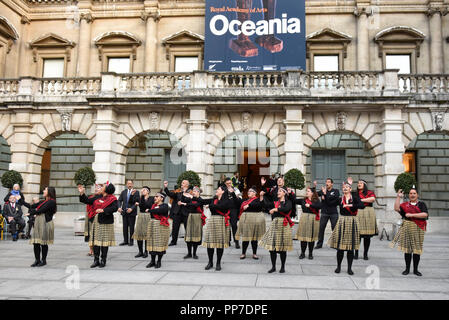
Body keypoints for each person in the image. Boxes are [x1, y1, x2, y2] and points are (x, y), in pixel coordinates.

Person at [327, 180, 365, 275]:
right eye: (344, 187)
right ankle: (338, 266)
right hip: (342, 221)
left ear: (350, 189)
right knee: (340, 247)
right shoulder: (340, 199)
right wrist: (326, 194)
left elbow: (362, 206)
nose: (345, 188)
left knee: (350, 247)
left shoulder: (355, 198)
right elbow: (329, 202)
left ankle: (349, 268)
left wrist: (350, 205)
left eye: (347, 187)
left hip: (352, 221)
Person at [391, 187, 429, 276]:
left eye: (414, 193)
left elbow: (425, 214)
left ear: (417, 195)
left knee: (416, 250)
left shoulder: (421, 204)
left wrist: (412, 214)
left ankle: (416, 270)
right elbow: (396, 208)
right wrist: (398, 197)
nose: (412, 195)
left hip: (418, 228)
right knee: (407, 250)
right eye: (411, 193)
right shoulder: (405, 205)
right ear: (409, 195)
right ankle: (407, 269)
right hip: (407, 227)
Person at [79, 182, 118, 268]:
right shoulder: (98, 197)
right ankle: (96, 260)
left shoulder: (113, 198)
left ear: (107, 189)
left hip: (106, 222)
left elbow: (115, 208)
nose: (100, 187)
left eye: (103, 186)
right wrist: (82, 193)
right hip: (96, 221)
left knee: (104, 242)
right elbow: (87, 201)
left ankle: (103, 260)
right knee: (95, 241)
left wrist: (104, 210)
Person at [259, 187, 295, 274]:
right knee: (272, 248)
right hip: (275, 224)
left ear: (284, 193)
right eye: (278, 191)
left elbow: (286, 209)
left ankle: (282, 267)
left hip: (284, 224)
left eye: (280, 191)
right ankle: (273, 267)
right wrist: (261, 197)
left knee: (282, 248)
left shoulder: (288, 202)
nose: (278, 192)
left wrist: (276, 209)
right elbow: (266, 205)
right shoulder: (275, 202)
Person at [201, 185, 231, 271]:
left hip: (221, 221)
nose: (217, 190)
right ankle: (210, 262)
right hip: (212, 220)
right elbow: (203, 201)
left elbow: (222, 206)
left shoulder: (227, 200)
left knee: (219, 243)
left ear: (223, 191)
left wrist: (210, 206)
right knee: (210, 242)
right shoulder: (213, 199)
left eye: (218, 189)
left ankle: (218, 262)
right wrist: (194, 197)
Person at [234, 186, 266, 260]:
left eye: (250, 191)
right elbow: (238, 202)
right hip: (246, 220)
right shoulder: (245, 200)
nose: (248, 192)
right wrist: (234, 194)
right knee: (245, 237)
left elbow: (260, 205)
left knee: (254, 238)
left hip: (254, 220)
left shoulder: (257, 200)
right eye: (248, 191)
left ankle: (254, 253)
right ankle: (243, 253)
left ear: (254, 193)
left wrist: (249, 205)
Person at [29, 186, 57, 267]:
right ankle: (37, 260)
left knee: (43, 243)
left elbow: (41, 210)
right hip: (38, 223)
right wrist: (20, 200)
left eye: (45, 190)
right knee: (36, 242)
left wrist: (31, 213)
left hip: (45, 223)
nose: (43, 191)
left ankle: (43, 260)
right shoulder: (43, 201)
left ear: (49, 192)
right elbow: (31, 206)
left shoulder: (51, 202)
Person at [294, 187, 322, 260]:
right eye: (306, 191)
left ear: (312, 193)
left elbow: (319, 206)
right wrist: (290, 193)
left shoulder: (316, 200)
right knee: (303, 237)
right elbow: (294, 200)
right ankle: (302, 253)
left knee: (311, 237)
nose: (307, 192)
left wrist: (310, 205)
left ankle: (310, 253)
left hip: (313, 219)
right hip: (304, 218)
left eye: (308, 191)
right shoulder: (303, 200)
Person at [145, 191, 170, 269]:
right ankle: (152, 261)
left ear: (162, 198)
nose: (155, 198)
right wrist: (144, 198)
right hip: (152, 225)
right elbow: (143, 206)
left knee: (159, 243)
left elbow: (160, 210)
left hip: (161, 226)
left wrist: (150, 210)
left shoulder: (165, 206)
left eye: (157, 196)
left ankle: (159, 261)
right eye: (155, 196)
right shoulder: (153, 205)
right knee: (152, 243)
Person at [181, 186, 206, 259]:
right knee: (189, 235)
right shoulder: (191, 199)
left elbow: (196, 205)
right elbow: (183, 200)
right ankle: (189, 253)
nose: (193, 193)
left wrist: (187, 203)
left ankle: (194, 253)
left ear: (198, 192)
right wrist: (184, 193)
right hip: (190, 217)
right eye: (193, 191)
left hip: (197, 217)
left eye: (194, 191)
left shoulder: (200, 200)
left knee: (195, 235)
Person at [355, 179, 377, 260]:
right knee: (358, 235)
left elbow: (372, 199)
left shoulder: (369, 192)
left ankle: (365, 254)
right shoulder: (356, 193)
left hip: (368, 212)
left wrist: (360, 200)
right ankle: (356, 253)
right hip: (359, 212)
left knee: (367, 236)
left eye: (361, 183)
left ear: (365, 185)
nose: (359, 184)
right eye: (358, 183)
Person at [314, 178, 340, 249]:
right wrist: (315, 187)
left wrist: (325, 195)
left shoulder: (336, 191)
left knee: (334, 228)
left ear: (332, 184)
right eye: (326, 182)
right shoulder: (323, 191)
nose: (327, 183)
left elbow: (334, 201)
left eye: (328, 182)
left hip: (333, 213)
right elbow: (315, 195)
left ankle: (335, 244)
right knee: (321, 228)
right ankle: (319, 244)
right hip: (324, 212)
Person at [79, 183, 103, 256]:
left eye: (98, 188)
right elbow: (86, 200)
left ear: (103, 190)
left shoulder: (103, 197)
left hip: (99, 219)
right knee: (90, 234)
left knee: (97, 236)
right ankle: (91, 250)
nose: (96, 189)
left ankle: (98, 252)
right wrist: (82, 193)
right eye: (96, 187)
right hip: (90, 216)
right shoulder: (93, 197)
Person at [164, 179, 190, 246]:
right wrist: (166, 187)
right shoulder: (178, 192)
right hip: (177, 212)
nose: (182, 184)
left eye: (183, 183)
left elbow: (190, 201)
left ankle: (189, 241)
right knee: (175, 228)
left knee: (187, 228)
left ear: (187, 185)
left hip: (185, 213)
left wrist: (183, 200)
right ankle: (173, 241)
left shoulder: (190, 193)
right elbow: (170, 194)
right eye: (182, 183)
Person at [118, 179, 139, 246]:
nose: (129, 185)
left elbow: (137, 202)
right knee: (125, 227)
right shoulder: (123, 192)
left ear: (132, 184)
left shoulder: (136, 192)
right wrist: (119, 207)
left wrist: (131, 209)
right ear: (126, 185)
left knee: (131, 227)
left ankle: (131, 241)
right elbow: (119, 200)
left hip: (132, 212)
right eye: (128, 183)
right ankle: (125, 241)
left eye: (130, 183)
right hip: (124, 212)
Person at [134, 186, 154, 258]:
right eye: (142, 190)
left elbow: (148, 205)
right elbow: (141, 206)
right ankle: (140, 251)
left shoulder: (152, 198)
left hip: (148, 216)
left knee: (146, 234)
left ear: (148, 191)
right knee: (139, 233)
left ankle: (146, 251)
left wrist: (141, 202)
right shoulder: (139, 198)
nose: (142, 191)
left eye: (144, 190)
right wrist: (133, 195)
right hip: (141, 216)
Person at [224, 177, 241, 249]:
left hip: (234, 209)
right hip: (225, 209)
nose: (229, 185)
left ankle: (236, 241)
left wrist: (233, 193)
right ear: (225, 184)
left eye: (230, 183)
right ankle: (228, 240)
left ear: (231, 183)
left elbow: (239, 199)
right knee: (226, 225)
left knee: (234, 225)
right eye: (227, 184)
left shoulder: (236, 189)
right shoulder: (223, 189)